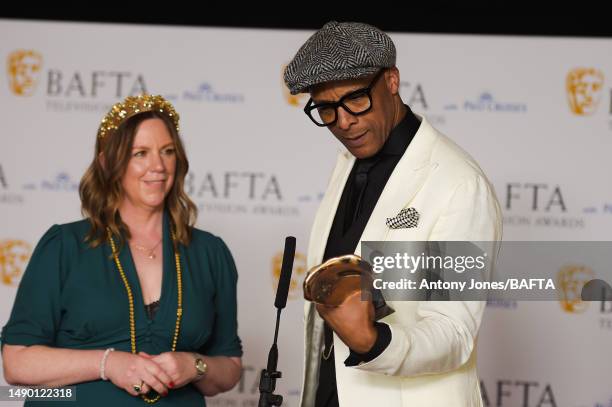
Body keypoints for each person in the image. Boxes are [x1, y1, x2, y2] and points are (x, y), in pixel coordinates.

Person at [284, 21, 502, 406]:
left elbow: (453, 334)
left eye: (355, 99)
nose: (344, 121)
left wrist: (373, 340)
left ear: (392, 82)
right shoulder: (347, 162)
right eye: (326, 109)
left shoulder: (458, 183)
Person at [1, 94, 242, 406]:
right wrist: (109, 364)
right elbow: (17, 362)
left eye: (167, 151)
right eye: (140, 153)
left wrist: (195, 365)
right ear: (108, 162)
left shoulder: (210, 253)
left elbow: (230, 367)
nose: (157, 166)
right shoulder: (64, 246)